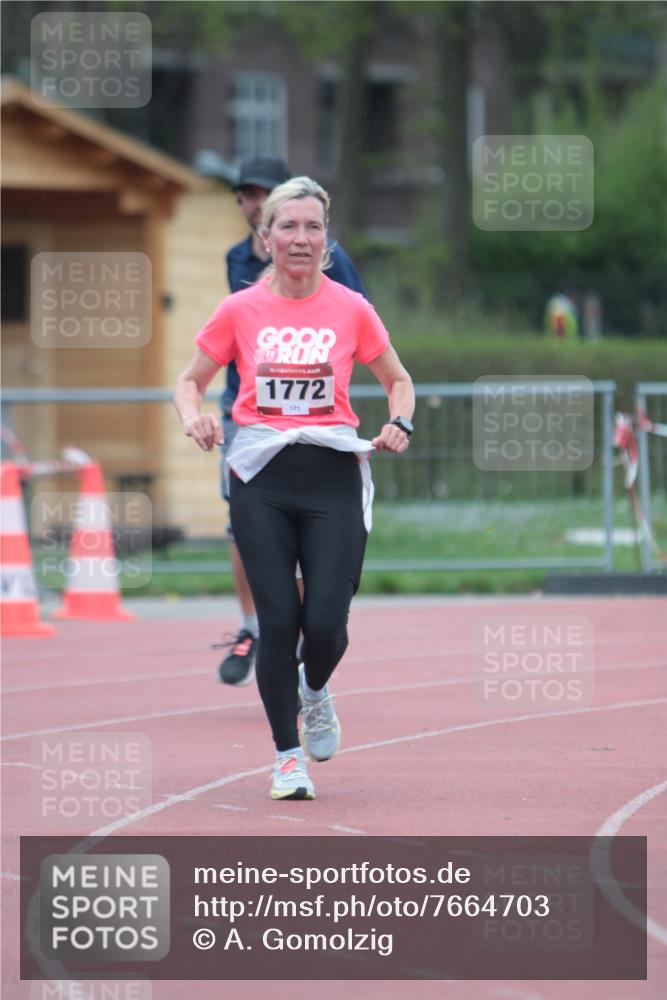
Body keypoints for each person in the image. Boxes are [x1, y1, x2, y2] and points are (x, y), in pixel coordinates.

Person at [174, 176, 414, 800]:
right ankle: (286, 759)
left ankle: (314, 691)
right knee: (278, 622)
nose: (300, 238)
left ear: (326, 240)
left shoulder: (350, 308)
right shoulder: (240, 309)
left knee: (328, 624)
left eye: (312, 228)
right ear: (267, 236)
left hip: (333, 473)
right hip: (262, 477)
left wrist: (399, 422)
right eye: (288, 227)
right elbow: (189, 380)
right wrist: (193, 416)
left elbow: (399, 380)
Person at [217, 157, 368, 686]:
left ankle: (303, 629)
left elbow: (353, 319)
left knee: (309, 543)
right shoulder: (237, 258)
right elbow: (238, 327)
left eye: (264, 192)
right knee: (242, 526)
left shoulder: (329, 259)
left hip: (316, 429)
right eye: (247, 195)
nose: (254, 201)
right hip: (247, 416)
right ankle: (255, 624)